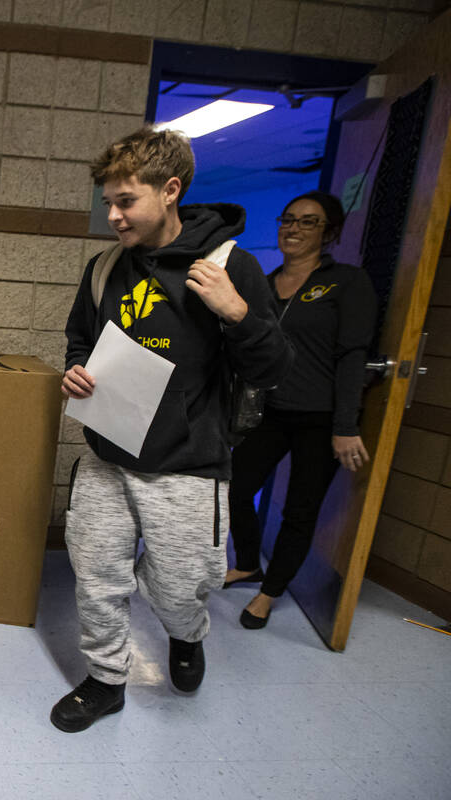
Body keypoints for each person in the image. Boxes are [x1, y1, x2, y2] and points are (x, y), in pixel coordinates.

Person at [53, 127, 293, 733]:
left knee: (180, 587)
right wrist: (75, 372)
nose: (113, 215)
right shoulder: (105, 266)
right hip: (109, 454)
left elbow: (273, 370)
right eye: (108, 201)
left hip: (187, 464)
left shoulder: (230, 265)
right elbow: (80, 338)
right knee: (98, 579)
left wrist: (236, 313)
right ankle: (107, 681)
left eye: (126, 201)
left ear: (170, 191)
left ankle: (186, 639)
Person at [224, 192, 377, 629]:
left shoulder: (346, 282)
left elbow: (352, 356)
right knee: (236, 488)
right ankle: (249, 562)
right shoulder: (265, 285)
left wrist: (345, 425)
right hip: (268, 412)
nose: (293, 228)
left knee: (299, 510)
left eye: (308, 222)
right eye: (288, 220)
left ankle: (269, 593)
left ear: (329, 233)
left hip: (320, 417)